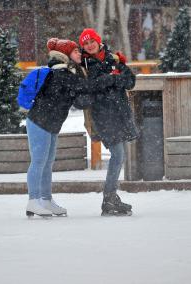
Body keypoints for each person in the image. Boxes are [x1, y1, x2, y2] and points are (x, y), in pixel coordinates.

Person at [25, 38, 116, 218]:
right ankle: (33, 201)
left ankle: (46, 199)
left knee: (47, 163)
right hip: (39, 122)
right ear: (66, 55)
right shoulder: (61, 74)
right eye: (75, 52)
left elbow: (81, 100)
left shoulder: (68, 73)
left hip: (50, 124)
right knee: (38, 162)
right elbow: (84, 87)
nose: (79, 54)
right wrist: (108, 80)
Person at [76, 28, 138, 216]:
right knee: (118, 155)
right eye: (85, 44)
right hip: (103, 117)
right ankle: (109, 198)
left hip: (120, 114)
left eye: (91, 41)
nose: (89, 45)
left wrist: (113, 79)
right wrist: (110, 79)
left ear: (98, 40)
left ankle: (111, 197)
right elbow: (90, 88)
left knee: (120, 156)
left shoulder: (114, 59)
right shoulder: (84, 66)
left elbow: (130, 80)